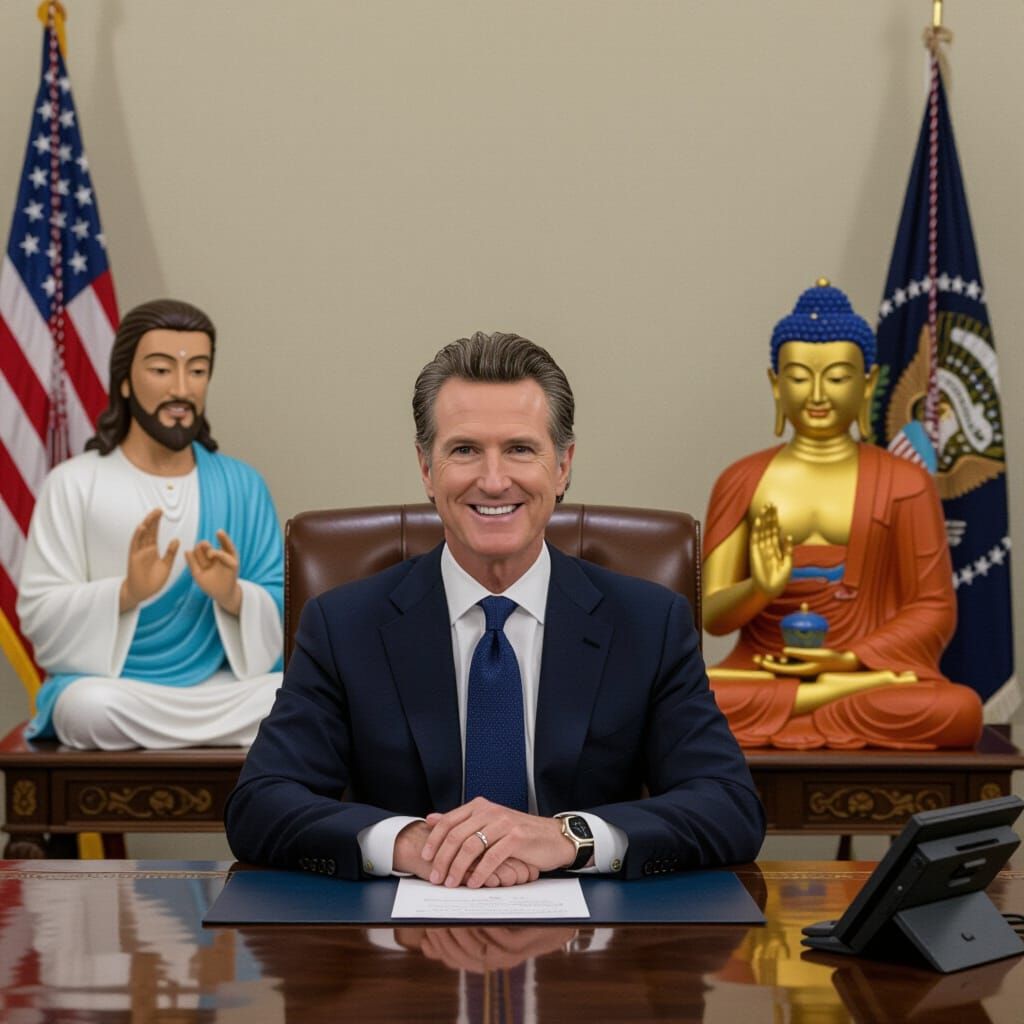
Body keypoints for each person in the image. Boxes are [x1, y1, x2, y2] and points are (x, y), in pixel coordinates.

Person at [226, 331, 763, 887]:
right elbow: (260, 804)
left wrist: (566, 837)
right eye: (464, 450)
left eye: (520, 449)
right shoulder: (344, 625)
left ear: (563, 467)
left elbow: (728, 805)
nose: (493, 479)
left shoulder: (649, 624)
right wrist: (412, 843)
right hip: (398, 946)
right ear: (426, 468)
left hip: (595, 950)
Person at [703, 280, 983, 751]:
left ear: (868, 383)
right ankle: (823, 703)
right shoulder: (743, 479)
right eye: (797, 376)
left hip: (866, 672)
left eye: (836, 377)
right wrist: (761, 588)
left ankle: (823, 699)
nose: (816, 393)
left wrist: (847, 662)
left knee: (960, 709)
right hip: (763, 671)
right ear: (775, 384)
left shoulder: (905, 482)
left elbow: (934, 608)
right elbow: (711, 613)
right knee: (695, 700)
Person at [18, 299, 284, 749]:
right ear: (124, 380)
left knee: (287, 699)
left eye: (197, 371)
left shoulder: (242, 484)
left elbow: (284, 605)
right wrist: (127, 593)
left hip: (223, 689)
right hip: (119, 692)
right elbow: (39, 612)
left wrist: (234, 594)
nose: (181, 389)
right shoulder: (74, 483)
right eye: (162, 370)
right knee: (85, 708)